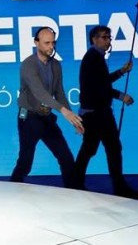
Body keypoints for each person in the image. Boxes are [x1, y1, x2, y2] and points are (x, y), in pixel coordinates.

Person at [71, 25, 138, 199]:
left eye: (109, 37)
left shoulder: (96, 57)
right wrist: (121, 96)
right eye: (104, 37)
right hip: (97, 114)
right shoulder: (93, 58)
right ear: (94, 39)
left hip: (96, 113)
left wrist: (121, 72)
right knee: (110, 148)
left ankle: (74, 183)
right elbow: (100, 87)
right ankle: (118, 188)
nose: (108, 41)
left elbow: (102, 81)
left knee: (91, 149)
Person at [10, 27, 84, 187]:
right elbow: (39, 92)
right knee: (25, 162)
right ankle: (12, 189)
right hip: (28, 118)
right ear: (36, 43)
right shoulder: (28, 65)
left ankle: (76, 193)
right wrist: (63, 111)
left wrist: (73, 119)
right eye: (47, 43)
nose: (51, 47)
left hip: (46, 118)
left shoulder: (56, 65)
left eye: (53, 43)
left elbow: (59, 92)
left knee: (66, 157)